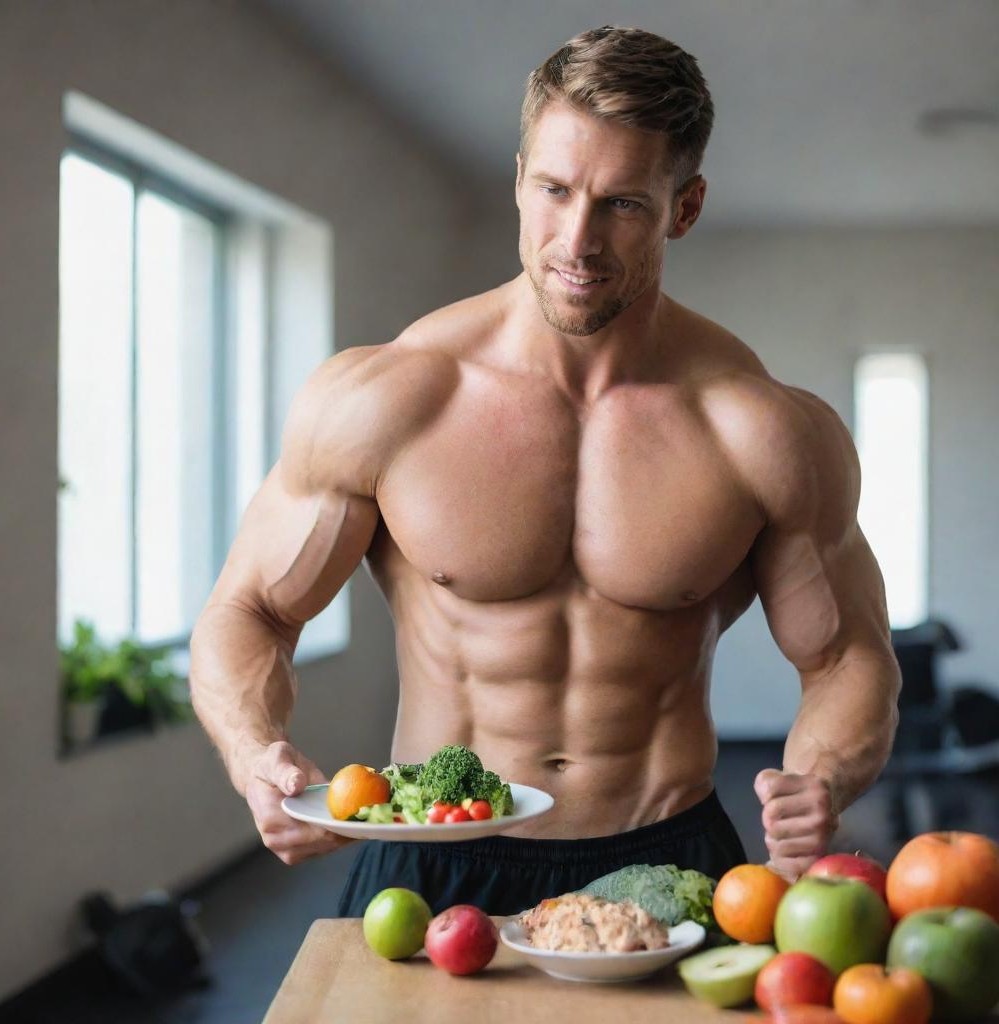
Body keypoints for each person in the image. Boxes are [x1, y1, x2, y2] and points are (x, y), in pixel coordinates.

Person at [189, 25, 901, 917]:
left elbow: (847, 657)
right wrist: (259, 754)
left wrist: (822, 778)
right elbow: (248, 610)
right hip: (436, 856)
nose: (578, 238)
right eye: (555, 190)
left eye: (624, 203)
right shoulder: (389, 399)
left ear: (684, 207)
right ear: (521, 178)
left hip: (668, 863)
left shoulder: (761, 430)